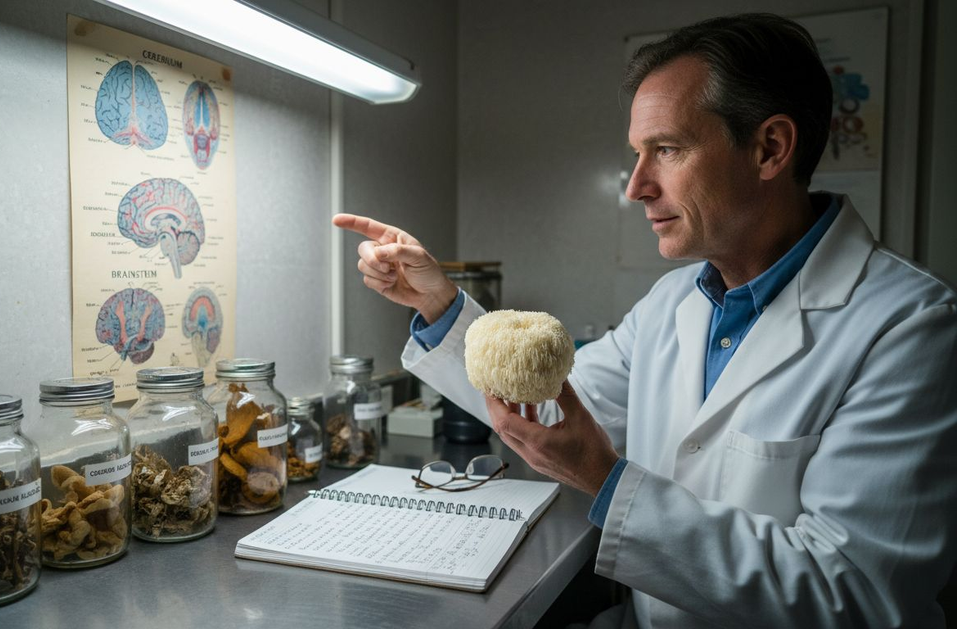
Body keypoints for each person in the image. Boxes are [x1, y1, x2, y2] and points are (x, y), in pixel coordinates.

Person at [333, 12, 957, 629]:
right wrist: (437, 304)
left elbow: (854, 595)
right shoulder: (673, 301)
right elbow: (546, 402)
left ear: (769, 149)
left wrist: (606, 481)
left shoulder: (907, 325)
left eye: (667, 150)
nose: (635, 187)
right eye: (637, 153)